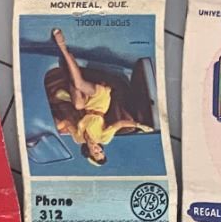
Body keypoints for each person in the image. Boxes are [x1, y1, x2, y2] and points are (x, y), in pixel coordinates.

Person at [46, 27, 154, 166]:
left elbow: (67, 123)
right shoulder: (104, 138)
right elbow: (120, 124)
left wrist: (53, 127)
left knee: (78, 103)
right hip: (100, 104)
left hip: (86, 105)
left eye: (96, 153)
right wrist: (139, 125)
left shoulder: (78, 139)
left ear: (89, 154)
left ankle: (69, 74)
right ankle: (63, 47)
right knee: (78, 84)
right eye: (101, 151)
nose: (98, 149)